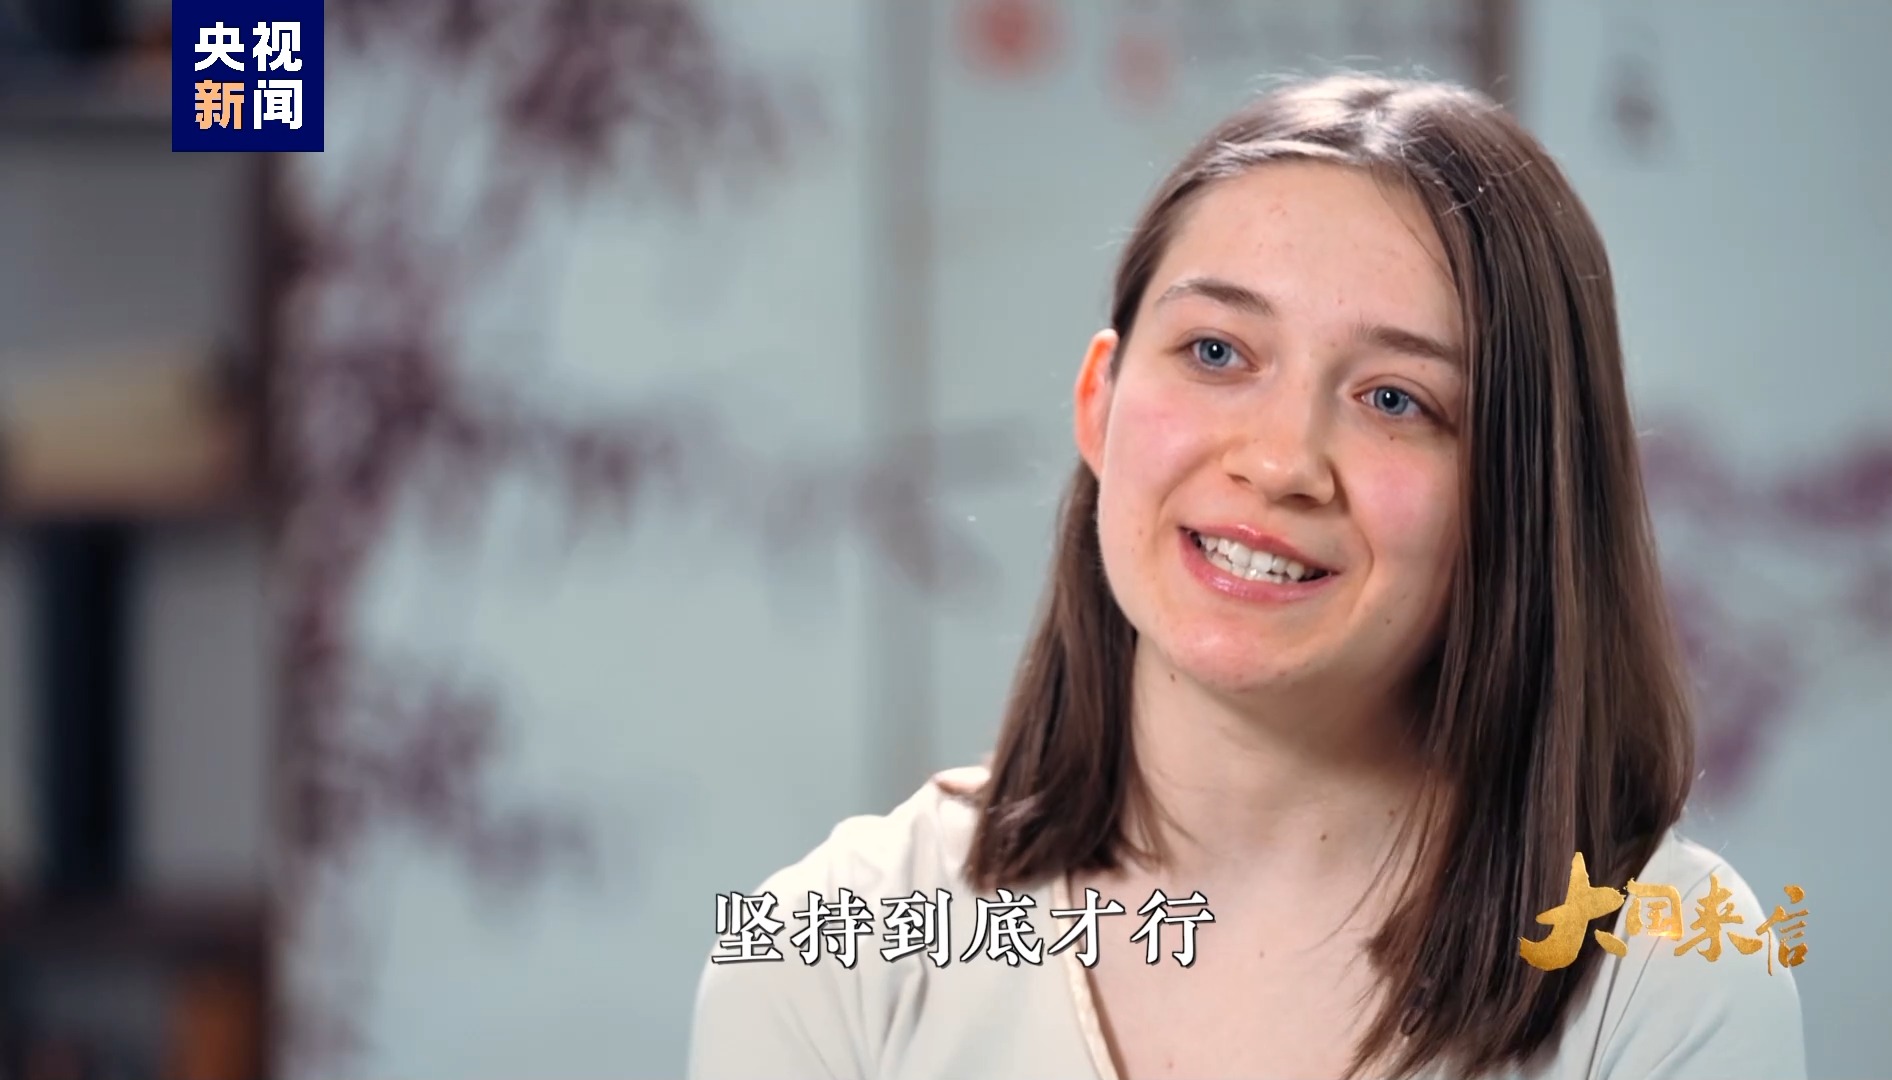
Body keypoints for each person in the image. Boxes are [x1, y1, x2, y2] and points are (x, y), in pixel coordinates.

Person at [687, 74, 1806, 1080]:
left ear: (1523, 495)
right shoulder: (836, 949)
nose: (1279, 463)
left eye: (1395, 400)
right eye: (1216, 352)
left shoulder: (1663, 972)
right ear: (1099, 400)